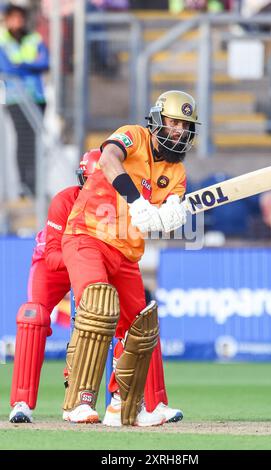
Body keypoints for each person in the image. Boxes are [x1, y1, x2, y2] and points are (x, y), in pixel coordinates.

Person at [61, 90, 200, 426]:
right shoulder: (134, 136)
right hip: (87, 235)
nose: (179, 130)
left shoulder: (177, 174)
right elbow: (108, 159)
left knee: (140, 327)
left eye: (186, 125)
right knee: (97, 304)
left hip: (126, 254)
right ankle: (77, 401)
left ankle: (124, 406)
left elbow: (162, 216)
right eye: (173, 122)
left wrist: (170, 217)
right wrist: (138, 202)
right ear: (157, 120)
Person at [9, 150, 99, 423]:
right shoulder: (64, 201)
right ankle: (22, 403)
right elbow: (51, 255)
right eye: (92, 183)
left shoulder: (115, 207)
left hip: (89, 264)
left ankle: (116, 401)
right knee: (32, 316)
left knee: (112, 313)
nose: (97, 191)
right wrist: (84, 260)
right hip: (53, 266)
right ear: (82, 179)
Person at [0, 4, 49, 196]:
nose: (17, 21)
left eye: (20, 17)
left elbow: (45, 63)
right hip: (14, 98)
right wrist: (31, 65)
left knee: (35, 141)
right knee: (23, 141)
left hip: (35, 96)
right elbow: (6, 68)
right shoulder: (3, 40)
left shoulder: (33, 38)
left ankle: (34, 184)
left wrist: (21, 64)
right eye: (13, 17)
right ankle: (24, 184)